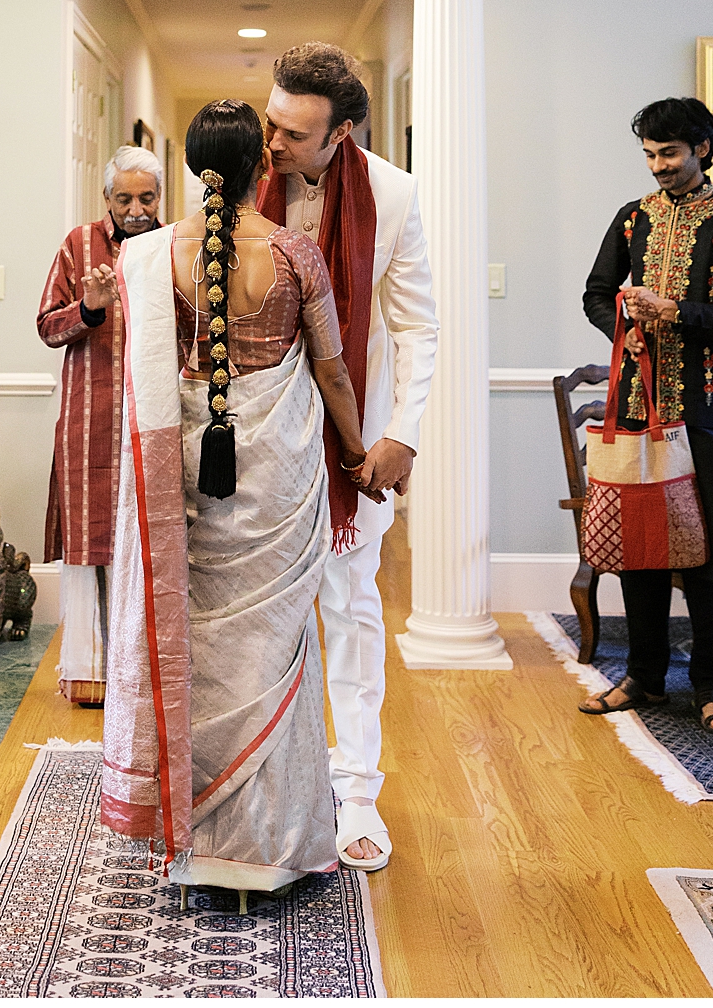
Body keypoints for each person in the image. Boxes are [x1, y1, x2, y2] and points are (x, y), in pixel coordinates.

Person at [102, 102, 381, 895]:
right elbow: (331, 372)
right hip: (279, 478)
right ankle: (269, 846)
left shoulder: (151, 258)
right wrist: (358, 456)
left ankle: (197, 839)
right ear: (264, 161)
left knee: (198, 645)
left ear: (191, 168)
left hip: (185, 476)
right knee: (276, 649)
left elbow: (151, 372)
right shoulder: (296, 252)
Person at [258, 42, 437, 871]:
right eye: (270, 124)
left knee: (351, 606)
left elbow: (417, 325)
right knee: (260, 619)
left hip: (354, 438)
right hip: (258, 434)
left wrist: (403, 431)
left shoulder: (394, 195)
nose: (276, 145)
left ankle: (357, 791)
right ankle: (264, 782)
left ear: (343, 133)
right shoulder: (235, 187)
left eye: (294, 134)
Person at [578, 96, 713, 734]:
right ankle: (644, 676)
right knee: (641, 551)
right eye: (651, 155)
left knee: (707, 556)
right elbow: (596, 294)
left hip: (705, 417)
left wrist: (674, 312)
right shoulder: (632, 220)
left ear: (703, 150)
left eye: (670, 153)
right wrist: (625, 327)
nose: (658, 166)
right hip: (637, 412)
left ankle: (712, 687)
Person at [37, 145, 163, 706]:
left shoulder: (173, 247)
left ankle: (145, 676)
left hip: (154, 419)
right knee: (90, 543)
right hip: (90, 422)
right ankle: (90, 677)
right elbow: (46, 328)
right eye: (124, 198)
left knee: (151, 545)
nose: (136, 209)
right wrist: (89, 308)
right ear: (106, 198)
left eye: (147, 197)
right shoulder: (77, 246)